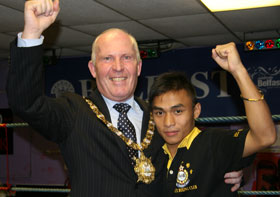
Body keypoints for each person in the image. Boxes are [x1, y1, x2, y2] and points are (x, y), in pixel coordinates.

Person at [6, 0, 244, 196]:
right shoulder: (73, 112)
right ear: (92, 68)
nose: (118, 67)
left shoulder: (160, 116)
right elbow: (26, 102)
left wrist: (226, 170)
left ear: (139, 67)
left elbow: (194, 157)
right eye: (107, 59)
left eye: (126, 58)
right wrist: (32, 33)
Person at [148, 42, 277, 196]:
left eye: (178, 111)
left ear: (196, 111)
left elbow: (265, 137)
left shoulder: (214, 142)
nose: (168, 122)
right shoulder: (150, 153)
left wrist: (238, 71)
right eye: (160, 113)